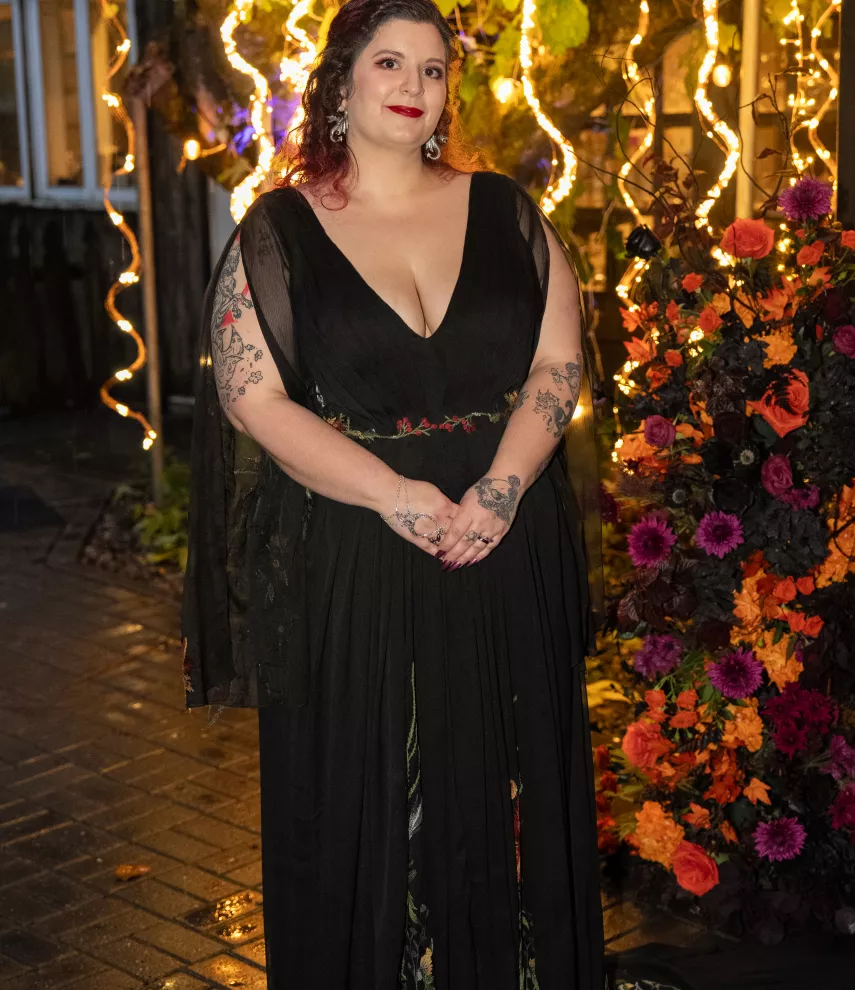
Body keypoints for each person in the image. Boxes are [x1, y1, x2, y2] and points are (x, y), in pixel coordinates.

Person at [180, 0, 606, 987]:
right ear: (340, 82)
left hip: (504, 542)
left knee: (505, 788)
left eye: (433, 69)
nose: (414, 86)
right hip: (357, 558)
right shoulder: (279, 230)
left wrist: (502, 488)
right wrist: (394, 494)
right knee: (370, 806)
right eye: (389, 63)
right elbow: (252, 399)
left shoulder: (508, 211)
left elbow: (557, 364)